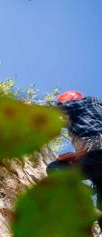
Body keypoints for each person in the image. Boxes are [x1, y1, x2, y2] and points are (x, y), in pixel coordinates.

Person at [46, 90, 102, 229]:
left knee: (56, 168)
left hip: (97, 154)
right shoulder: (82, 118)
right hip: (95, 159)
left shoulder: (89, 102)